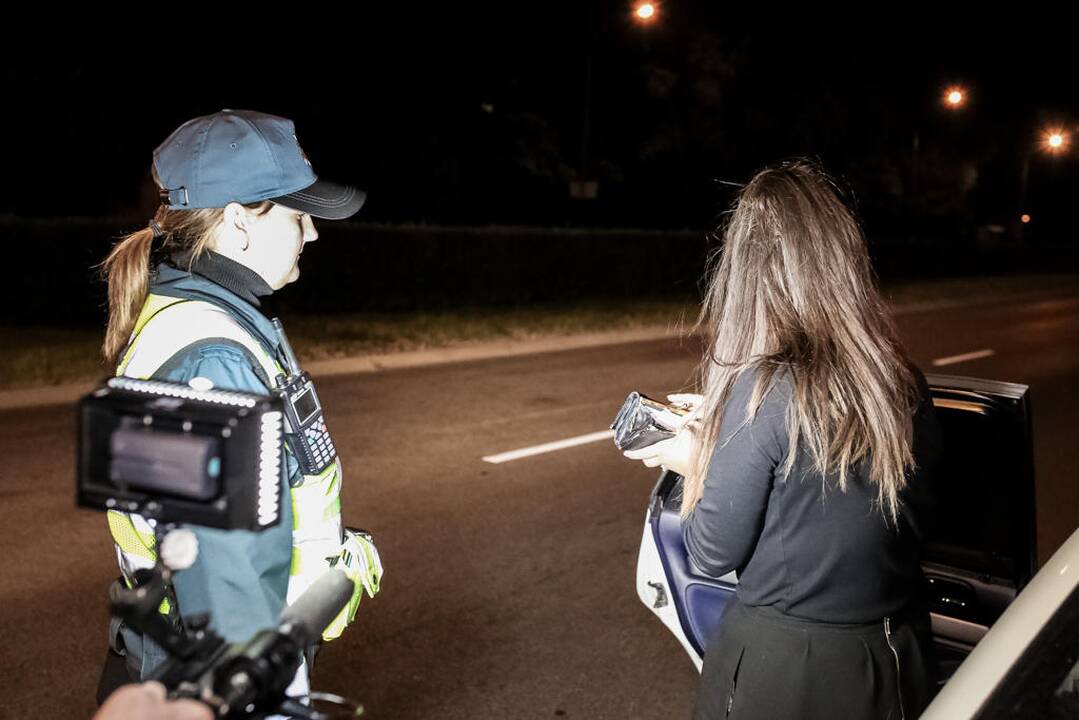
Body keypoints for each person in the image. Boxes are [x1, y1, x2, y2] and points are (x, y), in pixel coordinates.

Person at [624, 161, 941, 720]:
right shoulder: (898, 377)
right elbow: (834, 491)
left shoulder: (766, 388)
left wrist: (696, 461)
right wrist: (726, 435)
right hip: (897, 656)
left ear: (745, 271)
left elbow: (711, 550)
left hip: (791, 674)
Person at [96, 110, 383, 703]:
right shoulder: (214, 363)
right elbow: (225, 603)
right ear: (236, 222)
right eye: (299, 215)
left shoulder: (209, 316)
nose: (313, 233)